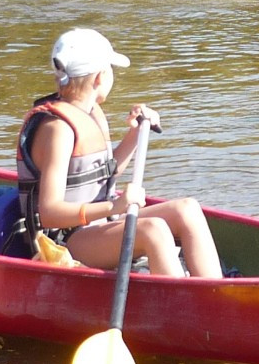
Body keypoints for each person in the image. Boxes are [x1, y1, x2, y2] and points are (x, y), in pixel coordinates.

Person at [17, 27, 222, 278]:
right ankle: (184, 309)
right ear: (100, 77)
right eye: (111, 70)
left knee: (187, 209)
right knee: (153, 230)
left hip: (96, 226)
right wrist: (114, 206)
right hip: (62, 240)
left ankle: (215, 293)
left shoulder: (91, 112)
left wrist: (135, 133)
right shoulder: (57, 129)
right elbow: (49, 213)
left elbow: (104, 174)